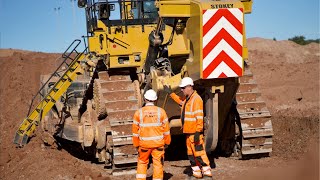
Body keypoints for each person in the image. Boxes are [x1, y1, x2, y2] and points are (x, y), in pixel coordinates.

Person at [164, 77, 212, 178]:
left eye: (183, 88)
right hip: (189, 133)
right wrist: (171, 93)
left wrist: (198, 132)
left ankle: (207, 174)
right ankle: (197, 174)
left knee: (200, 154)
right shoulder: (188, 99)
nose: (181, 90)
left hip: (194, 133)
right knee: (192, 156)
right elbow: (180, 102)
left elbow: (199, 117)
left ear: (189, 87)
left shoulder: (196, 99)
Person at [132, 89, 171, 180]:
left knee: (142, 162)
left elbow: (135, 132)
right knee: (158, 163)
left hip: (144, 145)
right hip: (158, 144)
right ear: (155, 100)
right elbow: (166, 130)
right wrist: (167, 142)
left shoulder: (139, 112)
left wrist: (136, 145)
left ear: (145, 99)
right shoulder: (161, 112)